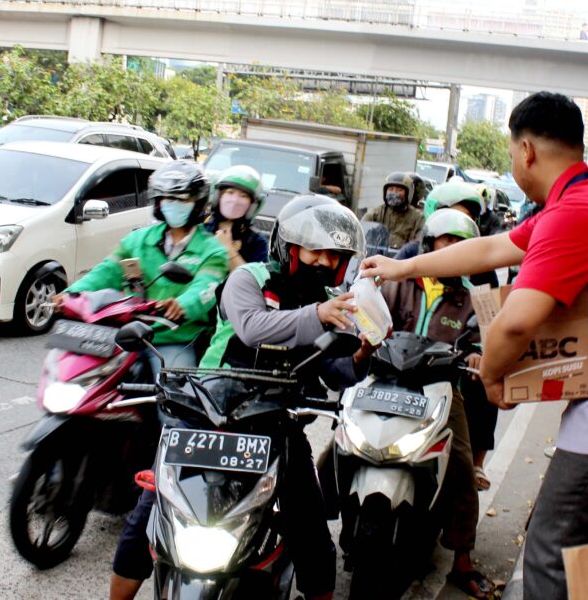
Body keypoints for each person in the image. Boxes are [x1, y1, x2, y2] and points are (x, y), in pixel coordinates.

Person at [360, 91, 588, 600]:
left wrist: (491, 377)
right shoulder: (583, 200)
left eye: (512, 151)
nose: (514, 161)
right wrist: (402, 267)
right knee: (565, 545)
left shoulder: (574, 214)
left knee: (549, 549)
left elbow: (514, 325)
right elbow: (492, 247)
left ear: (527, 150)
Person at [111, 195, 375, 600]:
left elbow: (332, 370)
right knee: (148, 521)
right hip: (206, 415)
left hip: (276, 423)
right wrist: (318, 315)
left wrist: (362, 353)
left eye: (333, 254)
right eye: (314, 249)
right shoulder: (249, 279)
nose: (323, 260)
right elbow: (253, 327)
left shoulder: (325, 302)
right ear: (289, 247)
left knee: (311, 533)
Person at [378, 208, 497, 599]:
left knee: (463, 465)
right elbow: (372, 315)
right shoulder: (399, 280)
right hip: (387, 380)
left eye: (461, 246)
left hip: (442, 388)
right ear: (428, 245)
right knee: (340, 441)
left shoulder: (474, 296)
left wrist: (479, 355)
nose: (452, 251)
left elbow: (485, 339)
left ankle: (462, 558)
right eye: (446, 242)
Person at [60, 160, 228, 372]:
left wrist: (181, 305)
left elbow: (205, 288)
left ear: (198, 202)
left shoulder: (212, 251)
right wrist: (70, 294)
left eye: (182, 199)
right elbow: (107, 270)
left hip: (171, 339)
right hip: (126, 332)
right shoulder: (137, 240)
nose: (173, 203)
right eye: (168, 198)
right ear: (158, 201)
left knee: (174, 395)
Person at [203, 164, 269, 268]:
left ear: (252, 205)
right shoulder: (201, 229)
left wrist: (228, 249)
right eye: (230, 192)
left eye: (243, 196)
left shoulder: (256, 242)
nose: (235, 200)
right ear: (218, 196)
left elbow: (253, 281)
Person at [361, 172, 425, 250]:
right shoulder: (375, 213)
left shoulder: (417, 218)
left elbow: (419, 244)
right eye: (391, 189)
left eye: (399, 190)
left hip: (402, 260)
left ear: (408, 193)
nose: (394, 193)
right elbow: (361, 233)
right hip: (375, 257)